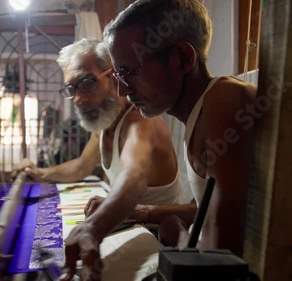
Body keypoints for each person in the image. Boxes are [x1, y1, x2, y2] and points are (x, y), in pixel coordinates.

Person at [56, 1, 255, 280]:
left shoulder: (224, 101)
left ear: (182, 59)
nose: (122, 90)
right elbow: (210, 208)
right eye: (116, 76)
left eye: (127, 72)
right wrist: (147, 213)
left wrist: (94, 227)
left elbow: (221, 263)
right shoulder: (202, 112)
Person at [11, 38, 193, 280]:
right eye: (71, 89)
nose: (77, 98)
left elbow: (134, 175)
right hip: (127, 225)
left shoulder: (139, 121)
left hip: (155, 235)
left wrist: (93, 227)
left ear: (114, 76)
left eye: (87, 83)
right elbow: (81, 166)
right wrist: (38, 172)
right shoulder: (105, 123)